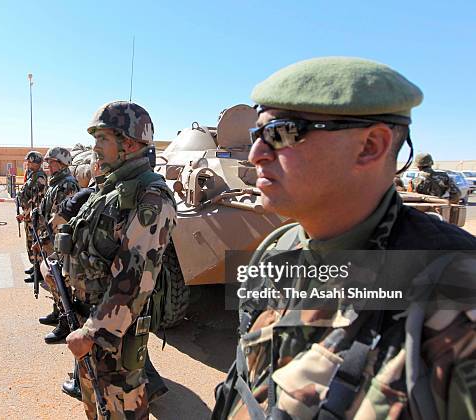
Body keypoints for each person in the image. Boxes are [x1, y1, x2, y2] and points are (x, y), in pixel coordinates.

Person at [212, 57, 476, 419]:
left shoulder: (457, 297)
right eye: (257, 135)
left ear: (370, 145)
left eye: (281, 133)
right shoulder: (278, 249)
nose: (257, 154)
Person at [63, 101, 177, 419]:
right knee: (95, 410)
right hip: (88, 327)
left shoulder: (150, 197)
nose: (94, 147)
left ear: (128, 143)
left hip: (113, 337)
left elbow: (136, 277)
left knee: (119, 411)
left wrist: (93, 332)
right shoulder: (108, 189)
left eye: (103, 139)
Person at [32, 147, 79, 344]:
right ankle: (57, 311)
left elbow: (62, 218)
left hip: (59, 241)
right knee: (53, 282)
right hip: (50, 238)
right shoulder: (56, 184)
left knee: (60, 282)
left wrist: (44, 239)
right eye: (48, 162)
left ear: (62, 164)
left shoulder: (67, 185)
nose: (48, 166)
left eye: (52, 162)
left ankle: (66, 321)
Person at [16, 151, 47, 284]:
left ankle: (39, 271)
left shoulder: (39, 177)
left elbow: (36, 200)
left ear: (37, 162)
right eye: (27, 161)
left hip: (35, 217)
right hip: (28, 216)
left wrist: (25, 214)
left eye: (30, 162)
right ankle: (34, 265)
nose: (28, 164)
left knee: (36, 244)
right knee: (29, 243)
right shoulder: (31, 175)